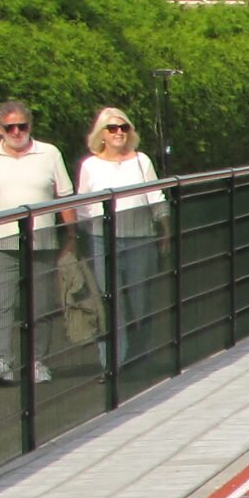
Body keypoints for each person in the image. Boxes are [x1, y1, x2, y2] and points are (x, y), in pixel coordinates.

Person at [0, 98, 73, 386]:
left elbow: (65, 196)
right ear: (0, 129)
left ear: (30, 126)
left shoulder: (49, 153)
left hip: (41, 238)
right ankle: (1, 360)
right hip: (2, 239)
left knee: (39, 304)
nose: (16, 132)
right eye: (10, 127)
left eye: (22, 126)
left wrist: (72, 236)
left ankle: (37, 360)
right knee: (2, 303)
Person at [74, 106, 167, 369]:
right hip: (103, 239)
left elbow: (156, 198)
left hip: (140, 237)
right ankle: (111, 360)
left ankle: (140, 354)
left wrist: (165, 232)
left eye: (124, 127)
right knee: (108, 301)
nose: (119, 133)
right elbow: (83, 206)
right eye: (113, 128)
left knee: (140, 300)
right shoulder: (89, 165)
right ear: (101, 133)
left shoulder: (142, 160)